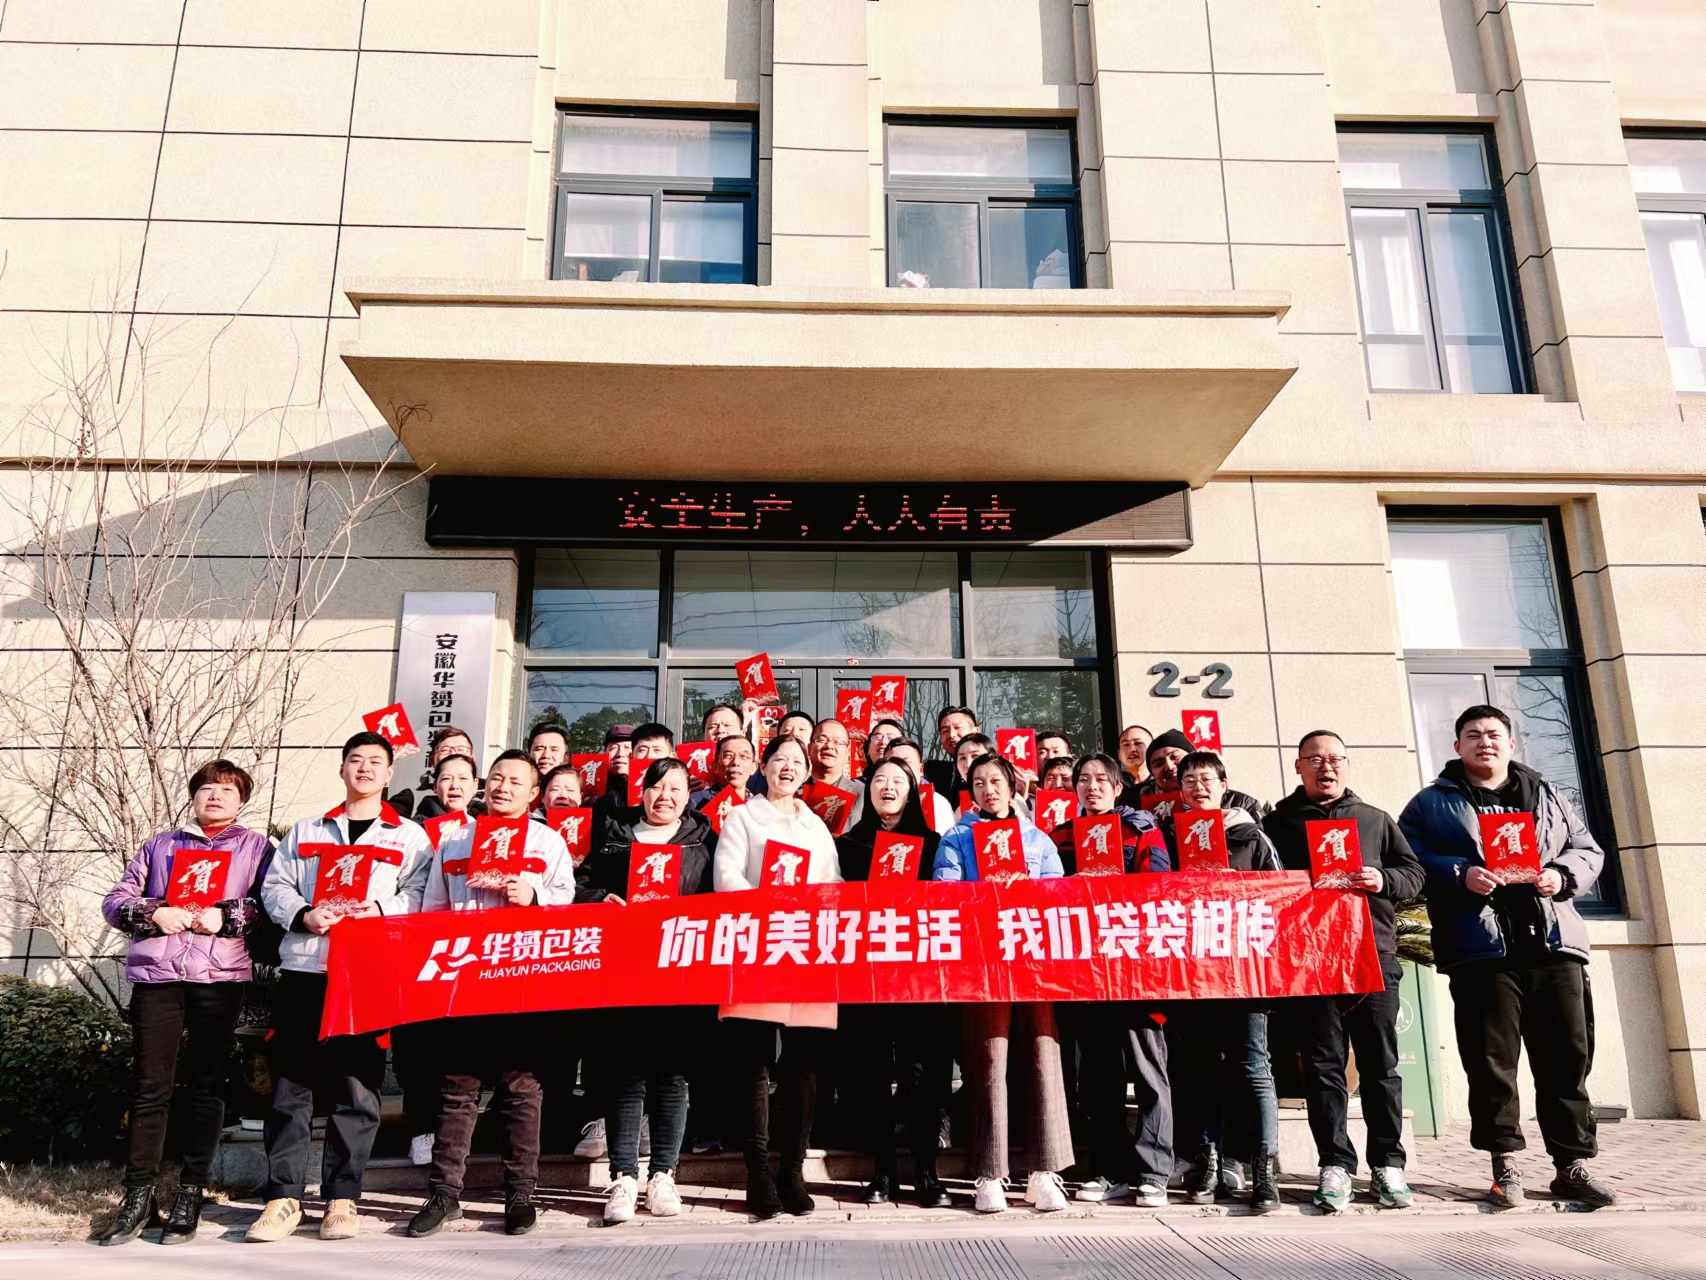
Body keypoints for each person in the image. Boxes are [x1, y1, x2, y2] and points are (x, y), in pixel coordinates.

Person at [1399, 705, 1614, 1209]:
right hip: (1483, 953)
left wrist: (1561, 875)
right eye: (1473, 735)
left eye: (1493, 734)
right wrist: (1459, 873)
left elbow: (1588, 850)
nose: (1485, 742)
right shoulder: (1433, 802)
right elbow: (1408, 857)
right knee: (1491, 1063)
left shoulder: (1548, 793)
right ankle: (1505, 1164)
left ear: (1511, 744)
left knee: (1566, 1059)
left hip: (1552, 946)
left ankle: (1571, 1165)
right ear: (1457, 746)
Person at [247, 732, 433, 1243]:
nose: (364, 768)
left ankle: (342, 1197)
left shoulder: (409, 837)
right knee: (292, 1085)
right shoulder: (307, 830)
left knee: (357, 1087)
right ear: (342, 768)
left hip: (366, 973)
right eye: (355, 760)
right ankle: (283, 1197)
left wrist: (378, 910)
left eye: (375, 761)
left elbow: (421, 893)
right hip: (306, 969)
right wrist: (303, 914)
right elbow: (274, 886)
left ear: (389, 773)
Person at [97, 760, 276, 1247]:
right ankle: (138, 1195)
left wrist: (228, 915)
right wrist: (156, 911)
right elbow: (116, 900)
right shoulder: (160, 845)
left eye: (227, 790)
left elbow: (272, 904)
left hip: (219, 977)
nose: (215, 796)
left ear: (241, 801)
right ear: (193, 796)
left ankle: (190, 1192)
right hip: (159, 975)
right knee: (150, 1085)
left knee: (207, 1084)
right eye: (206, 788)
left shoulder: (257, 848)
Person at [407, 751, 576, 1239]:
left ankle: (521, 1192)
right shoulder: (456, 840)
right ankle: (444, 1194)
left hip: (522, 975)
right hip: (464, 975)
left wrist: (536, 897)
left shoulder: (548, 841)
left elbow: (568, 903)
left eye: (515, 782)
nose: (503, 787)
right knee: (457, 1088)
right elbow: (432, 907)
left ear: (534, 794)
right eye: (497, 778)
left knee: (521, 1087)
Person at [1264, 730, 1425, 1211]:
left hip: (1372, 956)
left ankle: (1388, 1164)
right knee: (1323, 1067)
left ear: (1348, 765)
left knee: (1380, 1065)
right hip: (1311, 961)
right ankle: (1334, 1163)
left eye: (1334, 758)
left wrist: (1384, 879)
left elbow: (1414, 874)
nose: (1326, 767)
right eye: (1314, 759)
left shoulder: (1374, 820)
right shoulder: (1278, 825)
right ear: (1298, 767)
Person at [576, 757, 717, 1223]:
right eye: (657, 787)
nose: (665, 796)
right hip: (623, 967)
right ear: (643, 791)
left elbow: (720, 896)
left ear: (688, 795)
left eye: (676, 788)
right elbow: (583, 885)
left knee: (671, 1075)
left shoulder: (703, 840)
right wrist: (602, 899)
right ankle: (623, 1176)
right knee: (625, 1072)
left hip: (680, 968)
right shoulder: (615, 836)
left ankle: (663, 1175)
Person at [933, 753, 1072, 1214]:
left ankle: (1044, 1171)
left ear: (1013, 788)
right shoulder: (957, 837)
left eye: (996, 781)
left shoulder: (1037, 839)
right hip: (982, 961)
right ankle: (989, 1173)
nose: (988, 789)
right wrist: (985, 891)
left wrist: (1026, 887)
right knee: (988, 1062)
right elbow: (944, 893)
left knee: (1042, 1058)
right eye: (979, 782)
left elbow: (1058, 892)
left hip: (1032, 959)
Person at [713, 734, 844, 1218]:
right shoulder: (743, 817)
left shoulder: (815, 825)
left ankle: (792, 1171)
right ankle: (757, 1174)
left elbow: (832, 882)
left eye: (796, 762)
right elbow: (726, 878)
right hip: (757, 947)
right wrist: (769, 906)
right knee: (754, 1063)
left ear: (807, 774)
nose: (787, 767)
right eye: (779, 759)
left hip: (806, 950)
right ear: (763, 768)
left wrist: (811, 908)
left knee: (803, 1066)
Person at [1044, 753, 1171, 1208]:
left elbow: (1159, 886)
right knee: (1098, 1077)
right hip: (1084, 972)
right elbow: (1046, 896)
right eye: (1083, 780)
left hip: (1135, 966)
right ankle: (1107, 1168)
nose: (1091, 786)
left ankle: (1154, 1171)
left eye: (1101, 779)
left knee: (1148, 1072)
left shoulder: (1141, 830)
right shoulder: (1060, 836)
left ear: (1118, 788)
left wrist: (1113, 886)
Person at [1164, 751, 1283, 1214]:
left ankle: (1263, 1167)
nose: (1198, 788)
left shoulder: (1251, 834)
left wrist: (1240, 886)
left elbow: (1281, 893)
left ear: (1223, 785)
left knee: (1253, 1066)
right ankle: (1207, 1160)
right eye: (1189, 781)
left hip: (1245, 969)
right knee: (1197, 1069)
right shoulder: (1169, 836)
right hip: (1192, 971)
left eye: (1206, 779)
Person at [833, 760, 951, 1207]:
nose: (887, 787)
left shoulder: (933, 843)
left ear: (912, 792)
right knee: (872, 1074)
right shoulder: (849, 844)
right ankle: (881, 1172)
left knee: (923, 1074)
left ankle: (927, 1172)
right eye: (879, 780)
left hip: (920, 974)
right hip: (867, 972)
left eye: (898, 781)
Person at [397, 750, 483, 1166]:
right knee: (419, 1043)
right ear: (435, 785)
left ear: (476, 786)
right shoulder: (413, 831)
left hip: (470, 952)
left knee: (463, 1048)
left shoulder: (486, 830)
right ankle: (422, 1127)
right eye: (447, 778)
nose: (455, 785)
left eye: (463, 778)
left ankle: (460, 1131)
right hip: (418, 948)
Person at [1143, 730, 1266, 822]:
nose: (1169, 767)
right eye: (1158, 763)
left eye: (1175, 757)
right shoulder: (1140, 803)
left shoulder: (1241, 803)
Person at [400, 726, 479, 820]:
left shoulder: (485, 812)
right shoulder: (416, 816)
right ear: (432, 760)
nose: (453, 754)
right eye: (445, 750)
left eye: (461, 749)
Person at [804, 717, 864, 831]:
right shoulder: (793, 791)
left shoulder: (862, 793)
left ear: (847, 751)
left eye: (838, 742)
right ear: (809, 747)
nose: (829, 746)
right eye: (821, 740)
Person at [887, 738, 957, 833]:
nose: (900, 768)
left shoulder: (937, 804)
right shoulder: (874, 800)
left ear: (921, 770)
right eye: (893, 762)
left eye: (906, 762)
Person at [692, 733, 757, 813]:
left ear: (753, 768)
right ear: (715, 766)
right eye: (728, 756)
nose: (736, 762)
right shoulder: (695, 801)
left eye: (744, 756)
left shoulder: (760, 805)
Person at [926, 705, 980, 794]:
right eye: (945, 731)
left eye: (958, 727)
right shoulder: (935, 774)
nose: (951, 735)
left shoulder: (996, 768)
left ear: (975, 732)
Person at [1115, 724, 1151, 806]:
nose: (1132, 749)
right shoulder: (1113, 786)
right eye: (1126, 745)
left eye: (1138, 743)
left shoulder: (1164, 782)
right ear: (1119, 754)